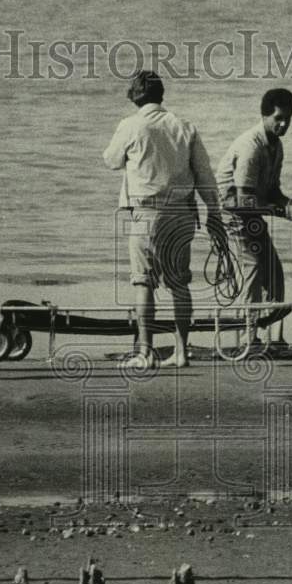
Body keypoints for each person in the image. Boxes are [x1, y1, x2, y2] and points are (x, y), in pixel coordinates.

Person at [103, 70, 222, 370]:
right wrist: (214, 214)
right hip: (182, 213)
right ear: (161, 95)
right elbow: (205, 175)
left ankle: (145, 352)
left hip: (146, 212)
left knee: (144, 282)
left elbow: (111, 160)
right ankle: (181, 352)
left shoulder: (130, 126)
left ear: (134, 97)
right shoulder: (185, 127)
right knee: (179, 283)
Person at [216, 88, 292, 345]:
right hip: (233, 213)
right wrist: (287, 213)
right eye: (278, 118)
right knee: (253, 266)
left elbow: (272, 192)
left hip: (251, 211)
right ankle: (249, 335)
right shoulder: (251, 147)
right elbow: (244, 201)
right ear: (264, 115)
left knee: (275, 272)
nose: (284, 124)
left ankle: (271, 335)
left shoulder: (276, 146)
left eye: (288, 118)